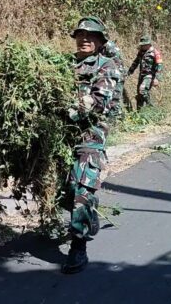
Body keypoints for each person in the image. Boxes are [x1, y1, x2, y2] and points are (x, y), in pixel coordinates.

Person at [64, 17, 121, 274]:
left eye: (91, 36)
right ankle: (88, 215)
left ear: (99, 41)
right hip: (63, 135)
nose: (85, 39)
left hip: (91, 135)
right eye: (81, 35)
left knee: (81, 187)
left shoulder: (106, 67)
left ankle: (78, 247)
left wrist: (67, 110)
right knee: (64, 189)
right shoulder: (64, 65)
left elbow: (98, 101)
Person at [127, 35, 163, 109]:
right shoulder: (141, 52)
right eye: (142, 45)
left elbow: (160, 66)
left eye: (143, 45)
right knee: (139, 95)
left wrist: (156, 79)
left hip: (149, 76)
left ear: (148, 44)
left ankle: (151, 108)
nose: (142, 46)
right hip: (142, 75)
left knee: (143, 90)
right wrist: (129, 71)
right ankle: (139, 113)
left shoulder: (155, 53)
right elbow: (136, 62)